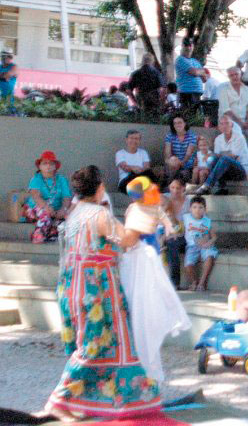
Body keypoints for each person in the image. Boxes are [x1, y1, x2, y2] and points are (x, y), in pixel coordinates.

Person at [44, 166, 161, 421]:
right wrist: (142, 212)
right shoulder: (98, 214)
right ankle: (58, 399)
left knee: (105, 343)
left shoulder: (74, 213)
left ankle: (113, 398)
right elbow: (127, 240)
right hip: (95, 288)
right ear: (98, 187)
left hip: (76, 284)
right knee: (94, 345)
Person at [119, 176, 191, 382]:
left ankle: (146, 366)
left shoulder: (150, 209)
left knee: (147, 308)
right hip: (138, 258)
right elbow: (130, 236)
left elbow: (161, 222)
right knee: (139, 309)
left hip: (146, 257)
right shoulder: (135, 210)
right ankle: (139, 363)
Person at [217, 66, 248, 162]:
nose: (234, 77)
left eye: (236, 74)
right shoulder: (224, 90)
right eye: (231, 75)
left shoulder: (246, 89)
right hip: (227, 121)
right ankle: (238, 160)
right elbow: (227, 111)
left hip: (243, 120)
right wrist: (240, 123)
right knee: (238, 131)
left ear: (241, 75)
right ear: (228, 77)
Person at [194, 113, 248, 195]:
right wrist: (219, 155)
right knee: (211, 160)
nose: (224, 126)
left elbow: (234, 157)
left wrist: (220, 155)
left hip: (241, 171)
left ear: (231, 125)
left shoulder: (239, 137)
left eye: (227, 123)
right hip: (226, 170)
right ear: (219, 127)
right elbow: (217, 158)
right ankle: (222, 187)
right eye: (222, 124)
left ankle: (207, 185)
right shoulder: (218, 139)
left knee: (224, 159)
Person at [23, 151, 72, 243]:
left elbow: (67, 197)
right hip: (37, 208)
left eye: (51, 163)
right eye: (44, 163)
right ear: (40, 166)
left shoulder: (62, 179)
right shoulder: (36, 178)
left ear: (55, 166)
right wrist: (46, 208)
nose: (48, 166)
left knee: (69, 217)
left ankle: (52, 235)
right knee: (45, 216)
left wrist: (64, 209)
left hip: (56, 210)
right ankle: (38, 236)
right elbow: (36, 196)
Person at [182, 196, 218, 291]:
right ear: (190, 209)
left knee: (209, 257)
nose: (197, 210)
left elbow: (214, 237)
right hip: (192, 246)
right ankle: (194, 281)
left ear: (205, 209)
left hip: (205, 245)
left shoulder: (207, 221)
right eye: (194, 207)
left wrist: (208, 243)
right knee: (188, 264)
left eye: (200, 207)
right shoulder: (186, 218)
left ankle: (202, 283)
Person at [163, 177, 190, 288]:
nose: (175, 191)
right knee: (170, 242)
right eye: (172, 187)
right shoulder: (164, 198)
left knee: (172, 243)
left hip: (184, 235)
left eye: (178, 188)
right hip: (166, 233)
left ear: (183, 188)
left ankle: (175, 283)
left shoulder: (188, 202)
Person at [115, 129, 154, 193]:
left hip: (141, 179)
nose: (134, 141)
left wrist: (137, 170)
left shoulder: (143, 152)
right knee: (134, 175)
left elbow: (147, 167)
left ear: (139, 141)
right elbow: (125, 168)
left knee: (149, 173)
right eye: (131, 138)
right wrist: (135, 169)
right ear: (126, 140)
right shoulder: (120, 153)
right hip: (126, 182)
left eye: (136, 139)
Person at [175, 37, 206, 111]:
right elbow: (194, 72)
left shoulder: (195, 61)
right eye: (186, 45)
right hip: (187, 93)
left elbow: (205, 79)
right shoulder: (180, 59)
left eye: (190, 45)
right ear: (182, 46)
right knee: (188, 115)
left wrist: (200, 72)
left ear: (193, 47)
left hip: (197, 94)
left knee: (196, 116)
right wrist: (201, 71)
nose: (188, 48)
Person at [164, 114, 198, 179]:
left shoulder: (192, 136)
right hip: (174, 162)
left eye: (180, 122)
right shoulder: (169, 136)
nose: (177, 125)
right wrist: (171, 161)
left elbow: (188, 154)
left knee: (181, 173)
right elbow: (167, 153)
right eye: (175, 123)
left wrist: (181, 163)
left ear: (185, 123)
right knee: (172, 161)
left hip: (187, 163)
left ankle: (171, 183)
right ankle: (171, 184)